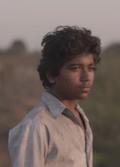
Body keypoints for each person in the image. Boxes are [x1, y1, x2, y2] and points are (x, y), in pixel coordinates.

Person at [8, 25, 101, 167]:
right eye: (75, 68)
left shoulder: (80, 117)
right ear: (51, 74)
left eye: (91, 68)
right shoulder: (36, 126)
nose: (86, 77)